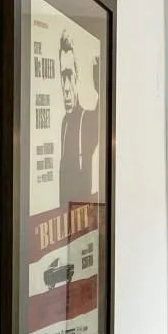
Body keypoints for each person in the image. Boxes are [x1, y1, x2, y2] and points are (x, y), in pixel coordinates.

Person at [58, 32, 98, 208]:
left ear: (78, 78)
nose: (66, 88)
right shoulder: (64, 124)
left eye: (70, 77)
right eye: (62, 77)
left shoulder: (88, 119)